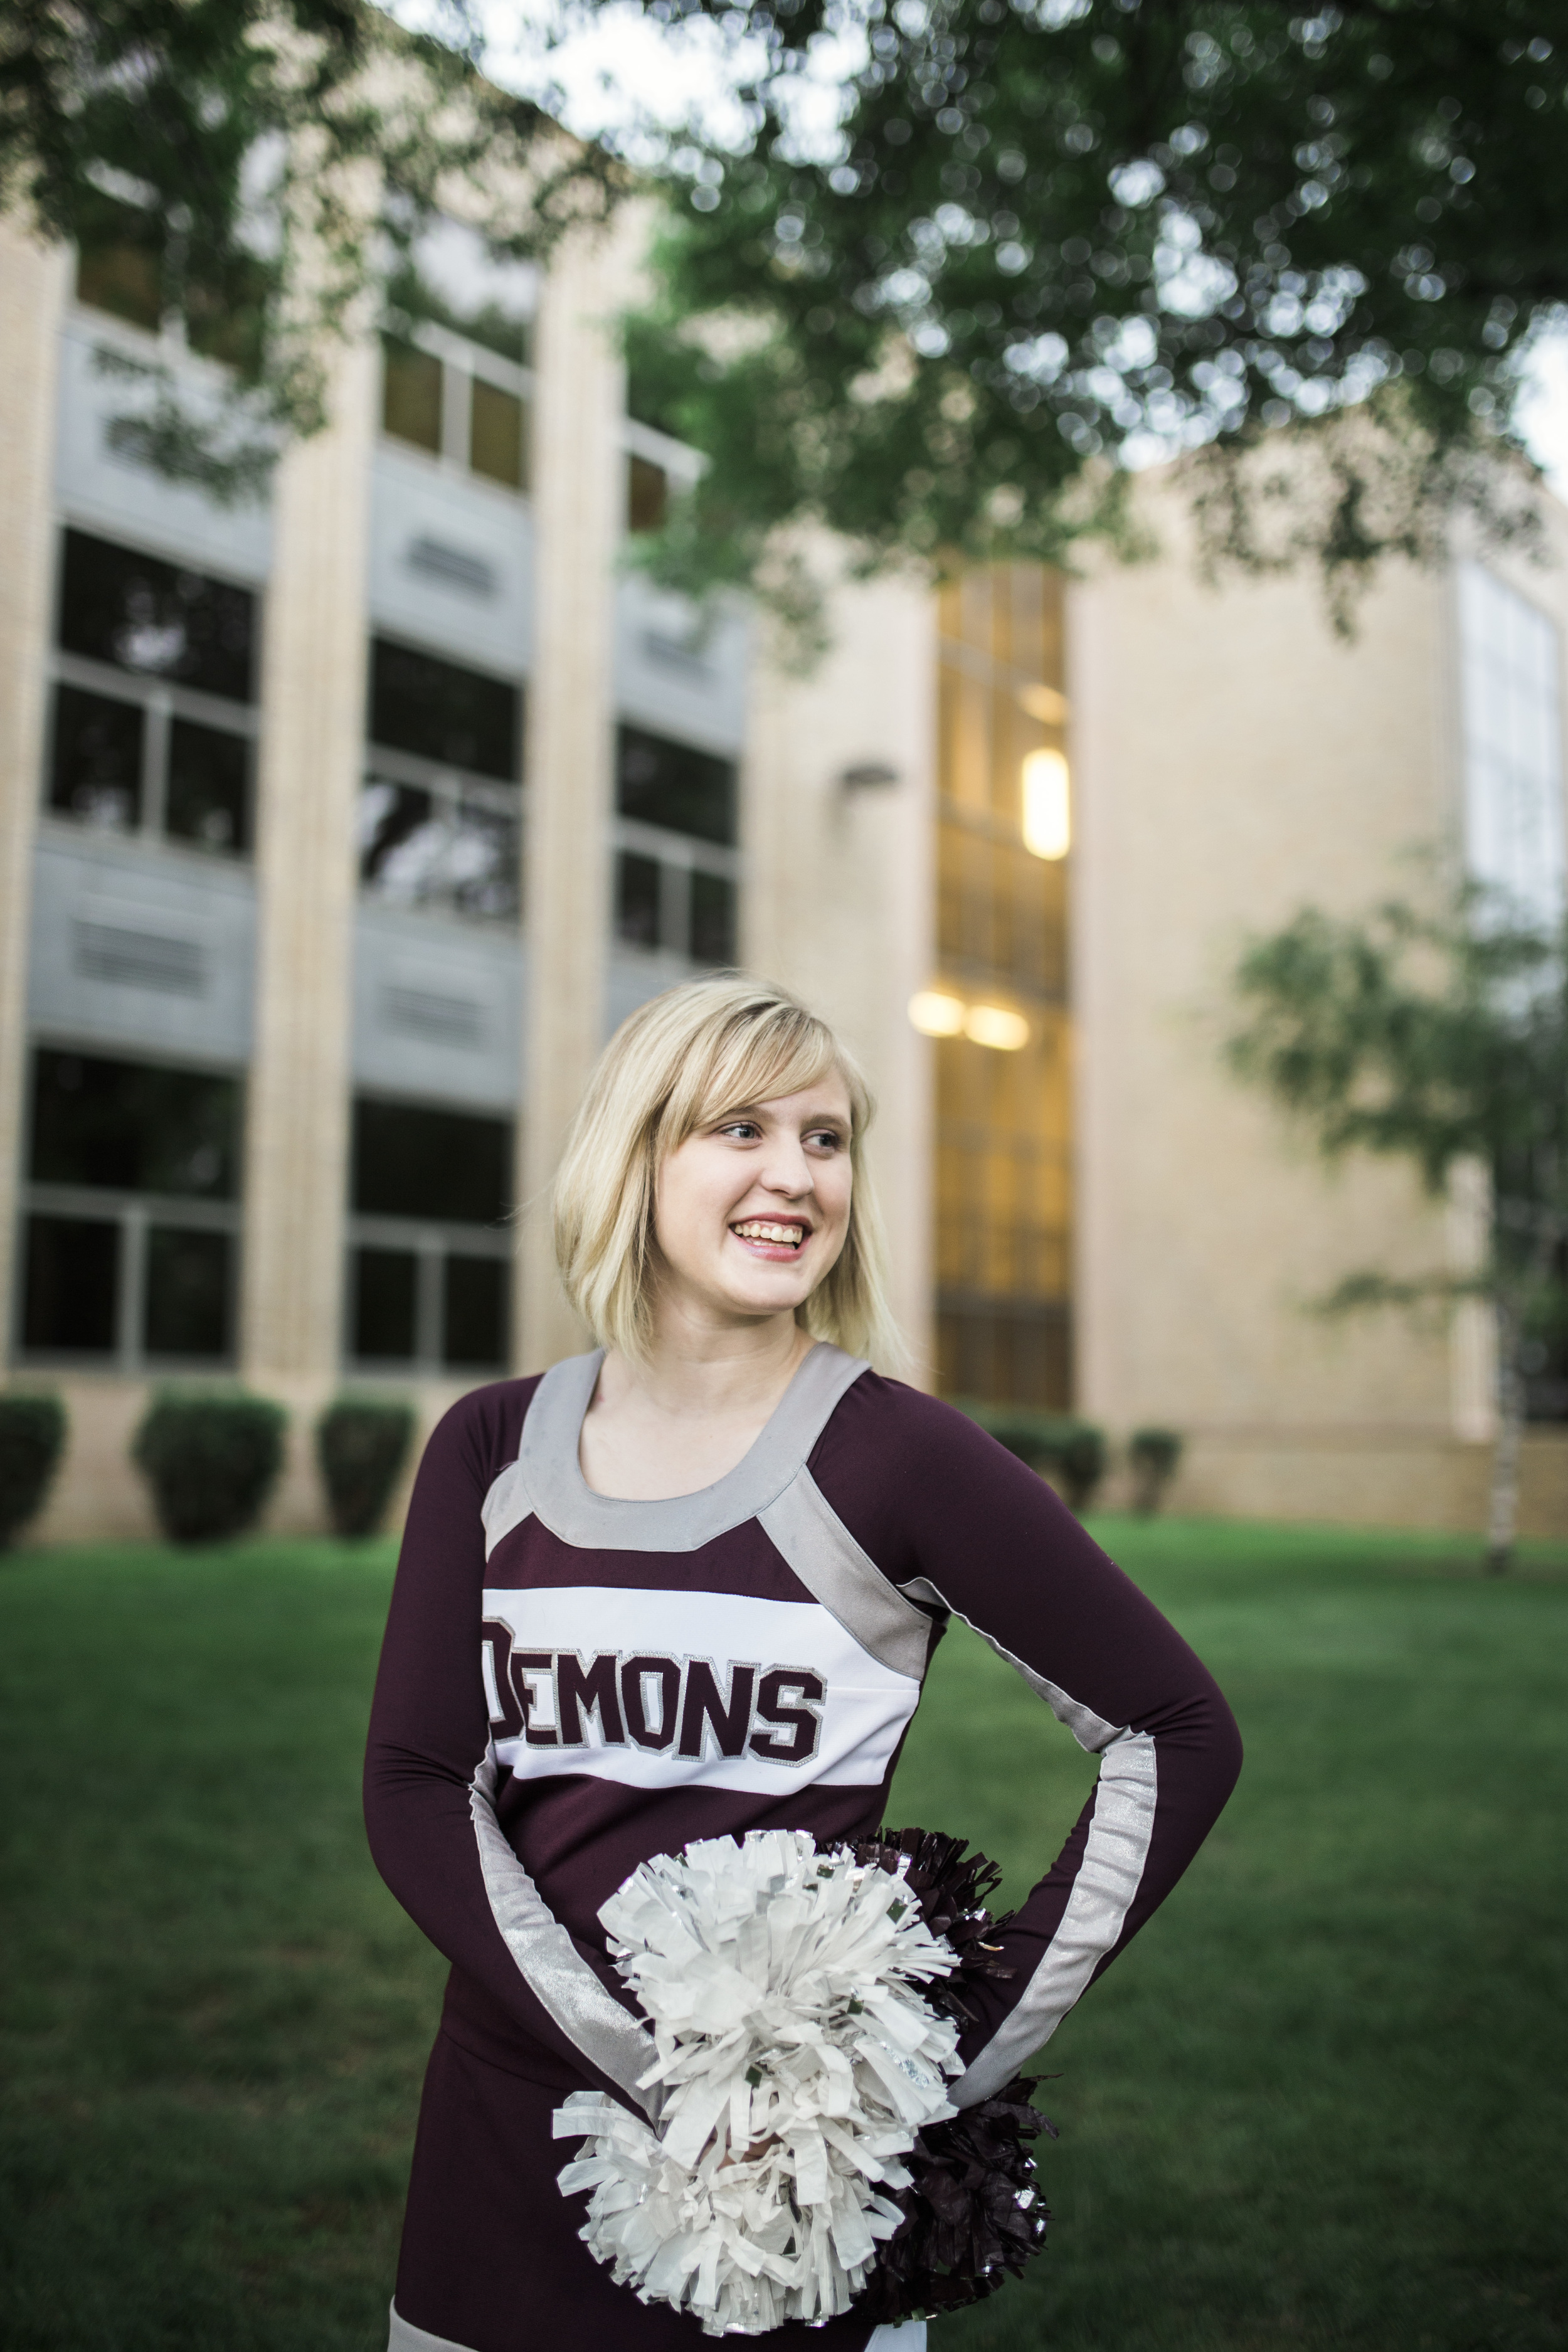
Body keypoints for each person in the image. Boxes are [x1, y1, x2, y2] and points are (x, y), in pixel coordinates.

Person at [364, 973, 1242, 2352]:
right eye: (741, 1131)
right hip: (502, 2153)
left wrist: (940, 2058)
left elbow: (1171, 1728)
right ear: (638, 1154)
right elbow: (419, 1784)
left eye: (824, 1140)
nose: (794, 1177)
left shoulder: (895, 1456)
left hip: (795, 2187)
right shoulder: (490, 1448)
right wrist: (650, 2065)